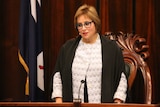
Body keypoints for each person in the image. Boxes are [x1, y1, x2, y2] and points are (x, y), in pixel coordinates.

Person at [51, 4, 128, 103]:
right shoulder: (67, 48)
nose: (83, 28)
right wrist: (59, 101)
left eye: (87, 23)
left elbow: (121, 78)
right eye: (80, 25)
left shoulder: (111, 49)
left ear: (95, 23)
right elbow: (57, 76)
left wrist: (117, 101)